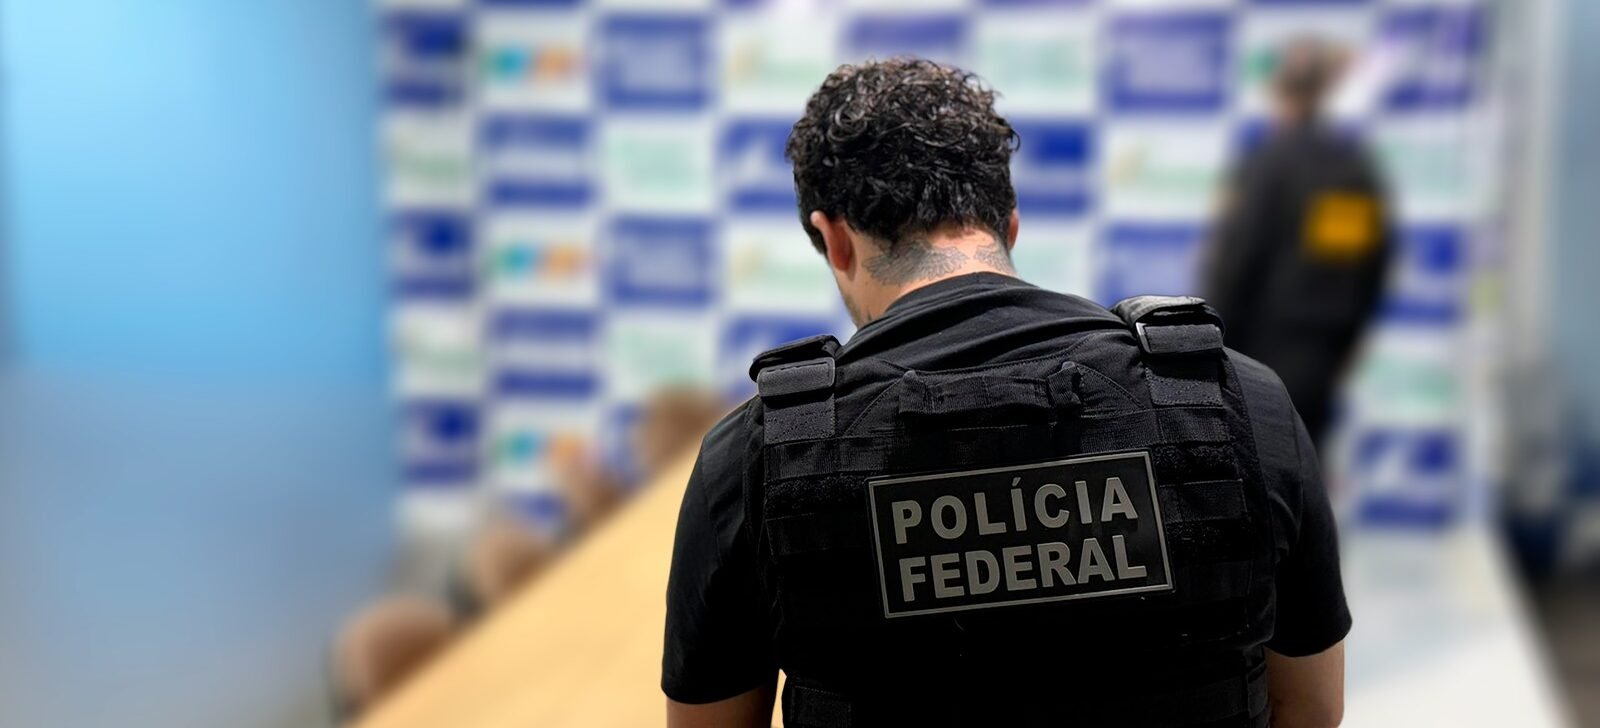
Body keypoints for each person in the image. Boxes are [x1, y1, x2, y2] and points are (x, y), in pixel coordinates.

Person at [663, 58, 1350, 728]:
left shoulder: (755, 456)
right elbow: (1311, 709)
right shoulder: (1240, 401)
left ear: (834, 240)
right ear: (1009, 223)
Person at [1201, 36, 1395, 449]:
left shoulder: (1267, 164)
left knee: (1256, 463)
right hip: (1324, 350)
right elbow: (1370, 265)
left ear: (1278, 92)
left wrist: (1212, 343)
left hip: (1258, 351)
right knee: (1306, 459)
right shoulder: (1351, 170)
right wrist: (1348, 337)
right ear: (1323, 92)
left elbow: (1236, 261)